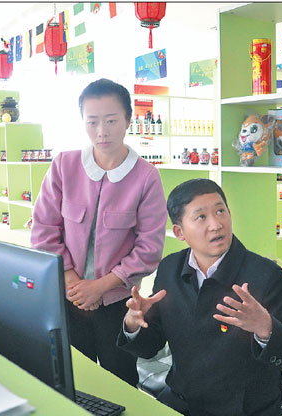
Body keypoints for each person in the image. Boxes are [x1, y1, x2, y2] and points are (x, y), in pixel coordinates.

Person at [117, 178, 282, 416]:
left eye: (220, 211)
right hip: (181, 404)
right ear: (179, 232)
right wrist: (133, 324)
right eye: (201, 217)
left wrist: (266, 328)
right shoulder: (169, 269)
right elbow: (150, 346)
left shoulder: (265, 275)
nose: (216, 224)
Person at [31, 79, 167, 387]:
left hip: (117, 301)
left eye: (111, 121)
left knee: (119, 379)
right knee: (71, 377)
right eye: (92, 122)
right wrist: (74, 284)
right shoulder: (64, 165)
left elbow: (149, 248)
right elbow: (43, 229)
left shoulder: (146, 178)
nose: (102, 131)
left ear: (128, 120)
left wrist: (99, 288)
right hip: (67, 295)